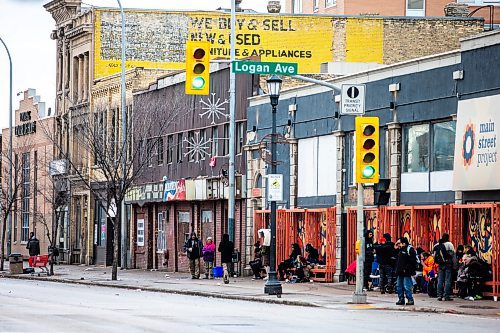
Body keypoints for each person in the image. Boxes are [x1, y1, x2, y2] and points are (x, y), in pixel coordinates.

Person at [433, 233, 456, 301]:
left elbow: (434, 256)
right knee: (447, 280)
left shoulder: (437, 245)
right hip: (448, 264)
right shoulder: (450, 245)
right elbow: (453, 256)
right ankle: (446, 296)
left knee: (440, 280)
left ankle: (439, 295)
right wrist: (455, 266)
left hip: (440, 264)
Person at [394, 237, 416, 305]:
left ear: (403, 243)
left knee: (407, 286)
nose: (398, 244)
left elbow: (412, 261)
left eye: (399, 243)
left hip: (406, 272)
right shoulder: (400, 250)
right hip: (400, 271)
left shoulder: (410, 249)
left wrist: (406, 268)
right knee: (399, 286)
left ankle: (410, 299)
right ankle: (401, 299)